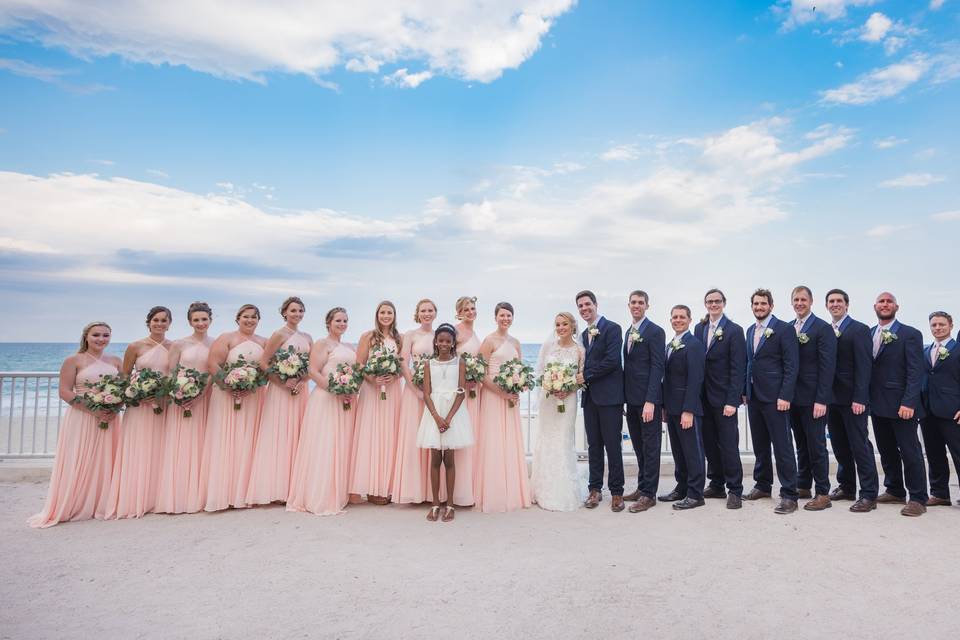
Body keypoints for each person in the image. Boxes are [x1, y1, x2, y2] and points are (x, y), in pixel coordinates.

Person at [28, 322, 121, 527]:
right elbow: (65, 391)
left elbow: (123, 388)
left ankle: (102, 502)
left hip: (110, 417)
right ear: (86, 336)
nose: (101, 339)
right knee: (80, 457)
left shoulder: (115, 360)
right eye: (96, 335)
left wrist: (114, 407)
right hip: (83, 416)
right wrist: (94, 410)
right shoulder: (73, 360)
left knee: (106, 458)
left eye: (106, 335)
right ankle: (75, 502)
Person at [287, 307, 358, 516]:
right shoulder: (321, 343)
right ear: (329, 322)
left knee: (341, 443)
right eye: (338, 320)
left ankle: (339, 492)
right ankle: (320, 495)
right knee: (325, 444)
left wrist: (350, 389)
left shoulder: (345, 345)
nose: (342, 324)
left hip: (345, 399)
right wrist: (334, 389)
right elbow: (312, 371)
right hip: (326, 398)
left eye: (345, 321)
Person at [105, 305, 172, 519]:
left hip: (162, 404)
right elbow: (124, 375)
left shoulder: (174, 346)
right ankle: (134, 497)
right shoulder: (135, 346)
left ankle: (156, 497)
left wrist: (163, 394)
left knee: (161, 448)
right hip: (139, 406)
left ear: (170, 324)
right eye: (156, 320)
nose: (160, 324)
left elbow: (174, 376)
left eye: (164, 320)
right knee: (138, 447)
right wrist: (135, 393)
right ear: (148, 322)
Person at [200, 304, 267, 511]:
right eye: (246, 316)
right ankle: (223, 493)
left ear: (258, 320)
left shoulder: (264, 342)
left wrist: (252, 385)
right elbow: (213, 364)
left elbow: (266, 369)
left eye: (254, 317)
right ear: (237, 318)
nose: (250, 320)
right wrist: (229, 386)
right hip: (226, 396)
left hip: (253, 397)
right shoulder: (226, 338)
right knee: (226, 440)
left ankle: (246, 492)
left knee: (250, 440)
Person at [246, 296, 312, 505]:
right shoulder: (279, 334)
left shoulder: (307, 337)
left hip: (300, 390)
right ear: (284, 313)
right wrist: (282, 381)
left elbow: (311, 366)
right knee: (279, 433)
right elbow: (264, 363)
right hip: (280, 390)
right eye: (293, 311)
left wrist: (302, 380)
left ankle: (295, 486)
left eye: (300, 311)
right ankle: (276, 488)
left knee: (298, 434)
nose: (297, 314)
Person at [869, 292, 928, 517]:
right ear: (875, 306)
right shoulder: (870, 333)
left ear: (897, 306)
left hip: (902, 405)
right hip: (877, 404)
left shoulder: (910, 334)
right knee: (886, 450)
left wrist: (909, 402)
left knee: (910, 451)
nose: (885, 304)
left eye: (889, 301)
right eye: (881, 301)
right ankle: (894, 489)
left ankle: (917, 497)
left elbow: (916, 371)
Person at [743, 289, 800, 514]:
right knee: (760, 445)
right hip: (754, 397)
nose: (759, 307)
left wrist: (785, 396)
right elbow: (750, 363)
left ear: (771, 305)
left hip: (776, 398)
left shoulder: (784, 329)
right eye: (756, 304)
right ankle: (763, 485)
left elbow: (791, 365)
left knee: (782, 446)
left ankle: (789, 494)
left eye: (763, 304)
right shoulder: (750, 330)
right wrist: (745, 391)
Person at [155, 302, 214, 514]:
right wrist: (179, 393)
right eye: (196, 320)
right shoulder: (179, 344)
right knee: (181, 443)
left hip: (205, 399)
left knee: (203, 443)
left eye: (204, 319)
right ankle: (178, 495)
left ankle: (201, 494)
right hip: (181, 400)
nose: (200, 323)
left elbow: (212, 372)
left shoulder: (215, 344)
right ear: (190, 322)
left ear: (210, 320)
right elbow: (171, 372)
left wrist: (199, 396)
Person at [824, 289, 879, 512]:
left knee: (860, 445)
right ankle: (846, 486)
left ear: (847, 305)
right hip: (831, 398)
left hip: (852, 399)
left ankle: (868, 494)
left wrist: (860, 398)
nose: (835, 304)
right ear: (827, 306)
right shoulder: (826, 330)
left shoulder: (859, 329)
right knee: (839, 444)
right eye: (831, 301)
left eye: (839, 301)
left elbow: (865, 367)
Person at [475, 302, 532, 513]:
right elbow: (480, 373)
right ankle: (493, 492)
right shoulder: (489, 341)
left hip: (510, 398)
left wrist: (519, 385)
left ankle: (512, 490)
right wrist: (501, 392)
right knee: (493, 440)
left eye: (508, 315)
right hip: (492, 396)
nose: (505, 318)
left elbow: (521, 369)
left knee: (509, 441)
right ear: (495, 317)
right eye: (502, 315)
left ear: (512, 317)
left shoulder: (516, 342)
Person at [693, 288, 746, 509]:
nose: (713, 305)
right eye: (709, 301)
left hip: (724, 398)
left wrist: (732, 400)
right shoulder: (699, 328)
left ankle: (735, 489)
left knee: (728, 444)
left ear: (723, 303)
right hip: (702, 398)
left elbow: (738, 367)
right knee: (708, 444)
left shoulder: (734, 331)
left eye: (717, 301)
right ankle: (716, 483)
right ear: (705, 304)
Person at [787, 286, 837, 511]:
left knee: (816, 445)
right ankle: (804, 484)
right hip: (793, 398)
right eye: (796, 299)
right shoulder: (788, 328)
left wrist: (822, 399)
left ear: (811, 301)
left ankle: (823, 493)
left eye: (803, 299)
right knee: (801, 444)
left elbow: (828, 367)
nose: (799, 303)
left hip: (814, 398)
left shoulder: (822, 328)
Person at [417, 324, 474, 522]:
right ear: (435, 342)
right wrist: (437, 417)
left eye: (447, 341)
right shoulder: (428, 364)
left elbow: (461, 391)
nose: (443, 344)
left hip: (453, 415)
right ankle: (435, 504)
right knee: (435, 460)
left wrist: (448, 418)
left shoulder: (459, 362)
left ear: (452, 344)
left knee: (449, 460)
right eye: (440, 340)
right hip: (433, 413)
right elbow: (426, 393)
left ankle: (449, 505)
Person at [575, 290, 625, 512]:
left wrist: (586, 375)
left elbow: (613, 361)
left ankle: (617, 492)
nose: (584, 309)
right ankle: (594, 490)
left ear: (595, 304)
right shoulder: (583, 335)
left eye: (587, 304)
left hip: (610, 398)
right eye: (580, 306)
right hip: (590, 399)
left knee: (613, 446)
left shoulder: (612, 328)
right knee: (594, 446)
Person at [349, 301, 402, 505]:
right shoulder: (368, 337)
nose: (386, 316)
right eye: (383, 312)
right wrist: (373, 379)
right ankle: (370, 488)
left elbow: (401, 365)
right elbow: (359, 364)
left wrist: (394, 377)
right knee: (371, 435)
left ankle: (386, 488)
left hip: (393, 391)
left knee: (389, 435)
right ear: (377, 315)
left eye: (389, 312)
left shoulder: (399, 338)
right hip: (372, 391)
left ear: (394, 315)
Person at [531, 312, 585, 512]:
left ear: (572, 326)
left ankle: (562, 491)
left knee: (563, 441)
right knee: (546, 440)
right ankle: (541, 488)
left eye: (564, 324)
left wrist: (568, 388)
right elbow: (539, 372)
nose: (561, 327)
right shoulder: (548, 347)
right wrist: (550, 386)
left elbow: (581, 378)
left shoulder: (580, 350)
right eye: (557, 324)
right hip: (549, 400)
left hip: (567, 401)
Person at [621, 290, 665, 513]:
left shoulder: (655, 331)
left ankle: (649, 494)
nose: (636, 306)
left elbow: (658, 367)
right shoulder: (629, 331)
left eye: (640, 302)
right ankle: (641, 487)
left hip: (648, 402)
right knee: (639, 447)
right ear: (628, 305)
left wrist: (651, 401)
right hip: (632, 401)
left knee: (651, 447)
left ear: (647, 305)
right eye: (633, 302)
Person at [660, 305, 707, 510]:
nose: (677, 320)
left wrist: (688, 410)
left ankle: (696, 494)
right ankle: (682, 487)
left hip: (687, 409)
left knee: (692, 451)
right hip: (671, 407)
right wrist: (664, 406)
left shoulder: (694, 344)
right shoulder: (671, 344)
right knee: (678, 451)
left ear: (689, 320)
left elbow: (696, 379)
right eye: (674, 317)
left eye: (681, 317)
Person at [392, 298, 437, 505]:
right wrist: (414, 388)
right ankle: (414, 490)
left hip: (435, 392)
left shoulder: (440, 335)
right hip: (413, 393)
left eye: (430, 310)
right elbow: (403, 362)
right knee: (414, 436)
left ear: (435, 313)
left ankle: (431, 491)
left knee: (433, 438)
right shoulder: (410, 335)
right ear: (417, 314)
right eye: (423, 311)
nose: (427, 314)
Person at [919, 311, 960, 506]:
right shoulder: (926, 351)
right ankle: (940, 493)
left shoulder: (958, 348)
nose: (937, 328)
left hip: (953, 411)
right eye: (934, 325)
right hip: (928, 412)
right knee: (934, 454)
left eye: (941, 324)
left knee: (958, 453)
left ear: (951, 325)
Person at [453, 296, 481, 507]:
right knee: (460, 436)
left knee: (472, 436)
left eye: (473, 308)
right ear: (459, 312)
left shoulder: (474, 333)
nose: (471, 311)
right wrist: (465, 380)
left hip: (475, 392)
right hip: (460, 391)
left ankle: (470, 488)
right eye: (466, 309)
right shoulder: (456, 331)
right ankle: (458, 492)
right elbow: (449, 360)